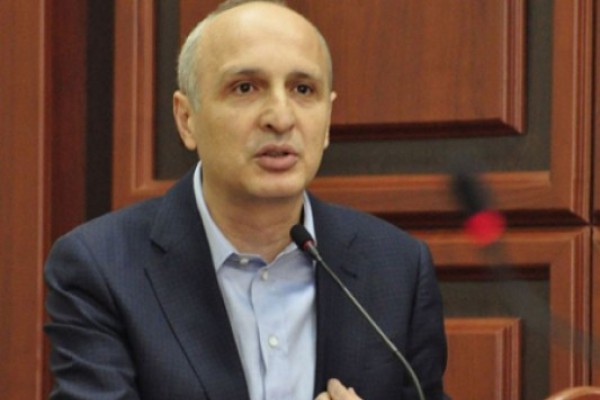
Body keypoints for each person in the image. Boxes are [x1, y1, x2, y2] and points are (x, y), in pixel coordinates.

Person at [44, 0, 448, 399]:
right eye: (245, 88)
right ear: (187, 120)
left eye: (303, 89)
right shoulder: (102, 268)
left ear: (327, 119)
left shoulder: (397, 268)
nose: (280, 118)